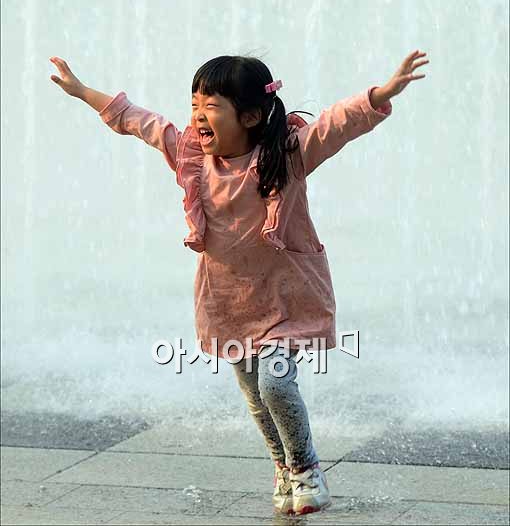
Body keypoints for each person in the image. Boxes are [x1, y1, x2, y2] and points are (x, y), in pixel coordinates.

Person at [49, 49, 428, 516]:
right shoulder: (192, 157)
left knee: (276, 386)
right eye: (194, 104)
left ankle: (306, 468)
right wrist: (82, 90)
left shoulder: (285, 156)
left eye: (210, 106)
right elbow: (139, 122)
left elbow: (335, 125)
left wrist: (381, 94)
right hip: (229, 300)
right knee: (254, 397)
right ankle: (283, 468)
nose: (197, 115)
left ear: (249, 116)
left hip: (287, 297)